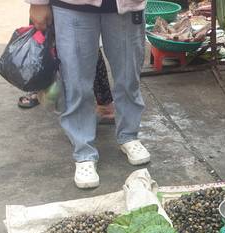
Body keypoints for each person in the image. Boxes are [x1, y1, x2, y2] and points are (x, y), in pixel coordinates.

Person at [28, 0, 150, 189]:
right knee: (76, 82)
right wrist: (38, 2)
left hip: (126, 6)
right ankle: (83, 150)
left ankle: (129, 135)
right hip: (71, 7)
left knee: (128, 77)